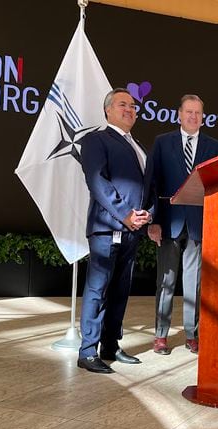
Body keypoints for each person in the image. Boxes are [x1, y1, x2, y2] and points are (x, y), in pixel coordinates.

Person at [76, 88, 155, 374]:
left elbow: (149, 188)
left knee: (121, 290)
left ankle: (110, 345)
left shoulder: (139, 146)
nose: (130, 109)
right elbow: (97, 181)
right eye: (123, 104)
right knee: (98, 289)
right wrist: (125, 214)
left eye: (133, 106)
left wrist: (149, 213)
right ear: (108, 110)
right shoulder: (96, 140)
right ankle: (87, 351)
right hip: (107, 228)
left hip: (133, 230)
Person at [147, 95, 218, 355]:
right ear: (179, 114)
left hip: (199, 225)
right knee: (166, 282)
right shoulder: (162, 143)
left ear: (203, 116)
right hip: (168, 223)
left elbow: (216, 187)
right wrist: (153, 220)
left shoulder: (214, 147)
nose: (193, 117)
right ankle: (160, 336)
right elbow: (152, 183)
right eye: (188, 112)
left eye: (198, 113)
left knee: (194, 283)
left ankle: (192, 334)